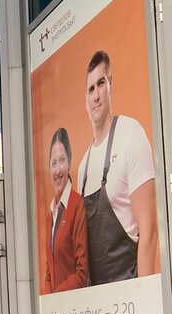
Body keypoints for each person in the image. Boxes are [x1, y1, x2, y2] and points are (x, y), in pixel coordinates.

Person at [77, 50, 158, 285]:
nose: (96, 95)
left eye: (101, 84)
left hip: (129, 290)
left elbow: (149, 232)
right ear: (85, 100)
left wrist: (143, 297)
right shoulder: (82, 168)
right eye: (90, 89)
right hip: (98, 299)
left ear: (110, 84)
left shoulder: (131, 134)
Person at [43, 128, 89, 293]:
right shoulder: (50, 215)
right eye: (53, 163)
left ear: (69, 163)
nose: (57, 170)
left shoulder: (77, 205)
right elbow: (49, 272)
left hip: (74, 304)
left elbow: (82, 273)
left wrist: (56, 298)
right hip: (55, 306)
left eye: (62, 160)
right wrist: (46, 300)